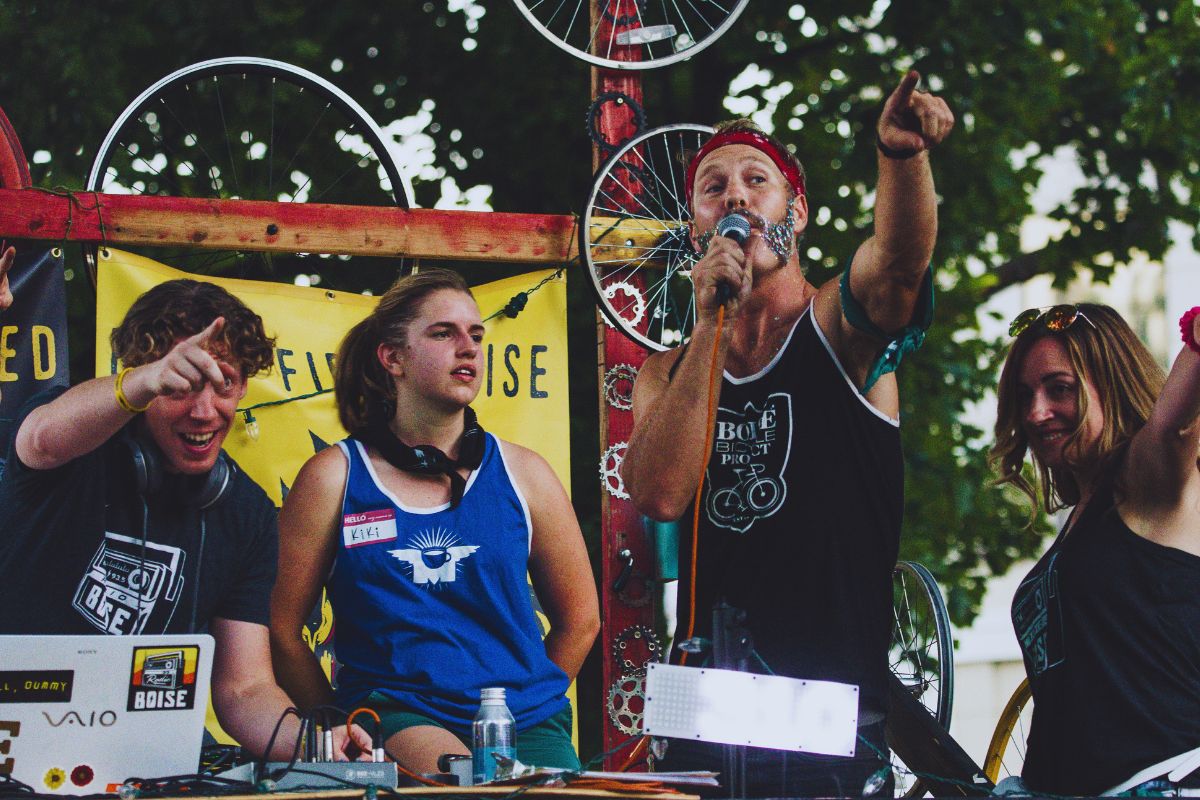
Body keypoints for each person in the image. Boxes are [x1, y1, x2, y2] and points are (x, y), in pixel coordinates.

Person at [622, 71, 954, 796]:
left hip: (825, 702)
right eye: (713, 187)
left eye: (756, 182)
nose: (735, 197)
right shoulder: (668, 370)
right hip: (703, 704)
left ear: (795, 212)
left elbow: (899, 262)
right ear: (694, 229)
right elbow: (658, 495)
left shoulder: (838, 323)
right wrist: (710, 320)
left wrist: (902, 156)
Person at [0, 274, 370, 760]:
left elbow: (245, 690)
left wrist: (315, 747)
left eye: (224, 385)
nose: (204, 411)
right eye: (181, 386)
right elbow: (44, 438)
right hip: (19, 737)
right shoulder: (76, 442)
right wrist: (146, 380)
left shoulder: (247, 513)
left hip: (147, 754)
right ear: (140, 381)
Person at [269, 268, 599, 775]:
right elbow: (283, 627)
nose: (468, 348)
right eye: (443, 333)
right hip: (399, 712)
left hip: (525, 720)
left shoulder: (525, 472)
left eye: (476, 335)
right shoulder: (333, 476)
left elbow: (581, 619)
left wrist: (529, 693)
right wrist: (339, 720)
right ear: (392, 357)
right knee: (463, 784)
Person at [990, 303, 1200, 795]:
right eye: (1025, 396)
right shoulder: (1078, 525)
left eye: (1059, 388)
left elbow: (1173, 426)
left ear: (1111, 379)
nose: (1037, 412)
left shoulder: (1145, 480)